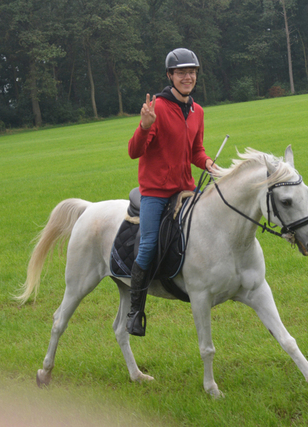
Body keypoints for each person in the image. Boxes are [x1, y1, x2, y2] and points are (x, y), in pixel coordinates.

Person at [126, 48, 216, 337]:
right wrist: (144, 126)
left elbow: (196, 152)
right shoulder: (158, 109)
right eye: (181, 73)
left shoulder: (197, 111)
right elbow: (134, 151)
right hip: (155, 192)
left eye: (192, 72)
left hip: (185, 190)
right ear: (170, 76)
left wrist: (212, 165)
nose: (187, 77)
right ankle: (135, 311)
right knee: (149, 244)